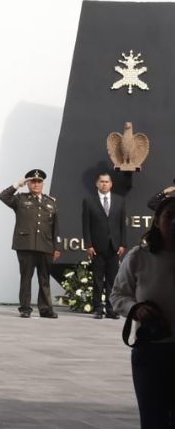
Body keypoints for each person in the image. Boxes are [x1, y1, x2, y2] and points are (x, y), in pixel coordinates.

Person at [110, 196, 175, 429]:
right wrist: (135, 309)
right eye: (169, 216)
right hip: (151, 352)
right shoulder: (139, 256)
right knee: (153, 419)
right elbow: (117, 295)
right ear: (157, 221)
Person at [0, 169, 61, 318]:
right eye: (33, 182)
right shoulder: (20, 199)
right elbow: (3, 196)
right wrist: (17, 184)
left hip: (45, 245)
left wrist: (57, 247)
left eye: (39, 182)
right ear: (28, 184)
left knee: (44, 278)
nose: (36, 184)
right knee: (26, 277)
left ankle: (46, 309)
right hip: (25, 245)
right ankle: (25, 308)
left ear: (42, 184)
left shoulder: (50, 202)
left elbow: (56, 227)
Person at [82, 172, 126, 319]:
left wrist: (123, 243)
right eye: (101, 181)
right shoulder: (89, 201)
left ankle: (111, 309)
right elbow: (85, 225)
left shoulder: (119, 201)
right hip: (96, 247)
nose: (104, 184)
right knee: (97, 280)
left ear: (111, 184)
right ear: (97, 184)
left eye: (107, 182)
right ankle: (98, 309)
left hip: (114, 247)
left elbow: (122, 224)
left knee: (113, 280)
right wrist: (88, 244)